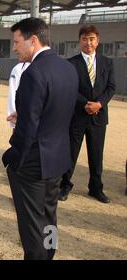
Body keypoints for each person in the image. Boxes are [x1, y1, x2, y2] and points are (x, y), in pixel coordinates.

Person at [2, 18, 78, 260]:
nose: (14, 48)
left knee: (32, 226)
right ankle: (50, 252)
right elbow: (57, 109)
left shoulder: (33, 72)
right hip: (57, 159)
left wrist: (12, 157)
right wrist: (24, 112)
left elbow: (27, 129)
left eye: (16, 42)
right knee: (49, 216)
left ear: (32, 40)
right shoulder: (67, 68)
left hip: (34, 163)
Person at [59, 25, 116, 203]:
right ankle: (64, 186)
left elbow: (111, 87)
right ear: (79, 41)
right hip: (77, 115)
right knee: (70, 153)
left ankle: (96, 188)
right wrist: (85, 104)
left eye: (91, 39)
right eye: (84, 39)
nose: (88, 42)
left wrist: (99, 104)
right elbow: (69, 88)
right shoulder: (71, 63)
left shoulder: (107, 62)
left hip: (98, 117)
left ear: (97, 41)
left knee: (96, 154)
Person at [6, 62, 30, 128]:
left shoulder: (46, 65)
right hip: (22, 121)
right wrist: (13, 114)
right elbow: (13, 92)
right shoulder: (18, 68)